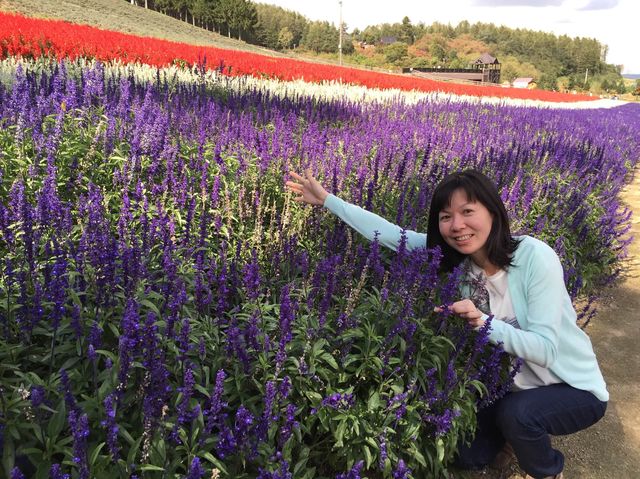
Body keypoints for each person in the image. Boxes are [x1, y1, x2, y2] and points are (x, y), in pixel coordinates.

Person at [285, 168, 608, 479]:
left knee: (519, 416)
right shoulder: (460, 263)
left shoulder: (535, 257)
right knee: (468, 454)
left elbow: (547, 350)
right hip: (511, 387)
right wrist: (329, 200)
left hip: (573, 387)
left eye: (468, 211)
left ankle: (547, 469)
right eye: (445, 217)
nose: (457, 225)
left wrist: (484, 322)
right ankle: (513, 434)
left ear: (493, 212)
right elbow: (390, 235)